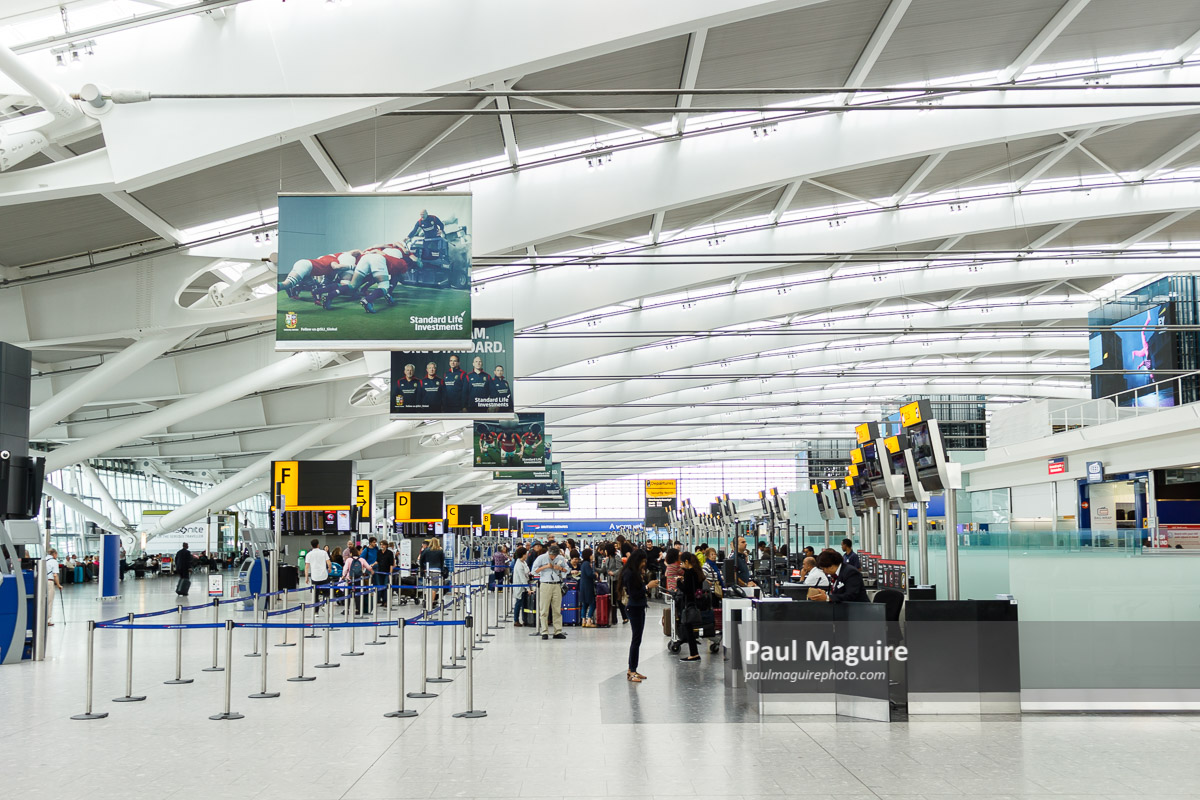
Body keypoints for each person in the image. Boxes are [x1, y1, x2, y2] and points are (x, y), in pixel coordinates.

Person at [619, 549, 659, 682]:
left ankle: (633, 669)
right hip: (634, 608)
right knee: (636, 640)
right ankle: (632, 671)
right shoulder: (630, 574)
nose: (644, 564)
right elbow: (635, 593)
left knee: (637, 639)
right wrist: (647, 587)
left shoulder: (633, 572)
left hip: (638, 607)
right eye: (642, 561)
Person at [532, 544, 570, 640]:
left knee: (557, 609)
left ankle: (557, 631)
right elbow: (533, 571)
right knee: (544, 609)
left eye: (555, 556)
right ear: (549, 553)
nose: (553, 557)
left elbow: (567, 570)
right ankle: (544, 631)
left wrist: (560, 568)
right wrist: (545, 567)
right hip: (545, 584)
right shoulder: (541, 558)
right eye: (552, 555)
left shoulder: (560, 558)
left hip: (556, 584)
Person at [676, 552, 706, 662]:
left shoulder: (688, 573)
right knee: (690, 628)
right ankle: (694, 653)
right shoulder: (697, 572)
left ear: (687, 562)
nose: (681, 564)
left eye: (682, 562)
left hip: (689, 604)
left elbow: (687, 590)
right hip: (697, 603)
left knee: (688, 628)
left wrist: (678, 582)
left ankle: (694, 654)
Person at [601, 544, 628, 624]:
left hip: (617, 581)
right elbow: (604, 569)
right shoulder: (607, 559)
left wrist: (613, 573)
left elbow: (620, 569)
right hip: (610, 581)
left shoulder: (617, 557)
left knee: (618, 599)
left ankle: (625, 617)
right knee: (612, 600)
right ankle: (613, 618)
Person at [343, 545, 373, 615]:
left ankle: (347, 609)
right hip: (359, 580)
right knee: (358, 595)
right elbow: (369, 567)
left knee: (347, 595)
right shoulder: (361, 559)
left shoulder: (349, 560)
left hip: (349, 579)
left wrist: (343, 576)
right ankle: (358, 609)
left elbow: (345, 569)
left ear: (351, 553)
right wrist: (372, 572)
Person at [304, 538, 332, 602]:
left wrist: (306, 577)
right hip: (324, 576)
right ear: (318, 545)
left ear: (311, 546)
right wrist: (329, 568)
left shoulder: (309, 554)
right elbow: (329, 563)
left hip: (315, 577)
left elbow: (306, 567)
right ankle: (325, 605)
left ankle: (316, 610)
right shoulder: (324, 552)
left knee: (315, 594)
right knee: (326, 593)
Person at [512, 546, 531, 627]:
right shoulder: (519, 564)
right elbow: (522, 578)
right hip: (520, 586)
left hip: (524, 586)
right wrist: (528, 589)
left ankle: (524, 619)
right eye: (526, 554)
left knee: (523, 603)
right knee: (518, 603)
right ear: (523, 555)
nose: (527, 555)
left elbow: (527, 573)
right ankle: (516, 620)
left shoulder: (523, 562)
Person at [579, 548, 597, 627]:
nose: (592, 556)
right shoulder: (586, 564)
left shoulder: (583, 563)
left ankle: (583, 621)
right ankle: (589, 620)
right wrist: (595, 575)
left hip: (583, 585)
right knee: (592, 603)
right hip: (588, 586)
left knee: (585, 604)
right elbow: (589, 574)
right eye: (591, 554)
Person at [44, 548, 62, 626]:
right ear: (54, 554)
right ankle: (48, 620)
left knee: (42, 601)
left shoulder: (43, 559)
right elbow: (55, 575)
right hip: (49, 581)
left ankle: (40, 619)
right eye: (56, 554)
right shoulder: (54, 562)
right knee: (50, 601)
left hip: (41, 582)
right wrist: (58, 585)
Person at [375, 540, 394, 605]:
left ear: (386, 545)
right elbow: (377, 561)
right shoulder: (379, 552)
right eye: (381, 544)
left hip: (387, 572)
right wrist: (372, 565)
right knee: (380, 586)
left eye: (383, 545)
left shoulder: (390, 553)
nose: (381, 546)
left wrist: (390, 573)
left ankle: (386, 601)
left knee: (386, 586)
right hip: (380, 571)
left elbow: (391, 563)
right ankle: (381, 599)